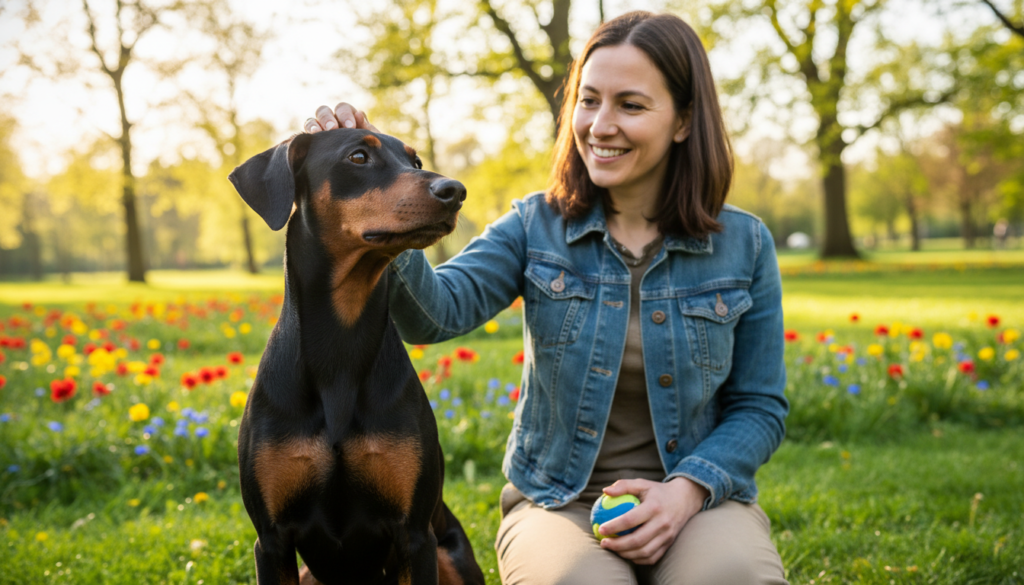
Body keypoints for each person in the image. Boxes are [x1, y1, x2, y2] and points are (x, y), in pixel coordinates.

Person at [306, 11, 788, 585]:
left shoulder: (746, 244)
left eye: (630, 106)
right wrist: (384, 200)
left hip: (700, 498)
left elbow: (760, 407)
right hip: (559, 502)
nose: (600, 125)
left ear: (684, 120)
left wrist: (686, 491)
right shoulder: (534, 226)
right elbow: (435, 313)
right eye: (589, 101)